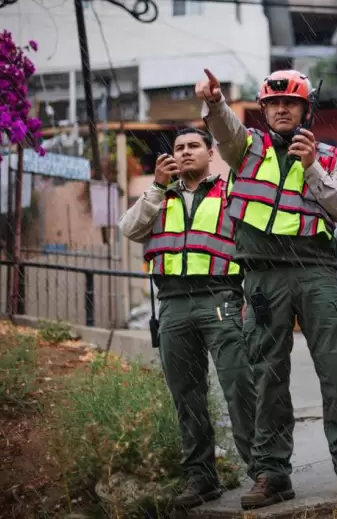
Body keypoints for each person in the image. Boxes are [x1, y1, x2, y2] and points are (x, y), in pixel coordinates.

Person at [196, 68, 337, 510]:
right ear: (264, 109)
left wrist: (311, 166)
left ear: (304, 110)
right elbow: (224, 128)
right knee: (267, 377)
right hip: (262, 276)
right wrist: (215, 103)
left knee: (335, 371)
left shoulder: (327, 156)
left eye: (290, 103)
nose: (280, 109)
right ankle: (272, 473)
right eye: (273, 103)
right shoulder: (244, 148)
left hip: (316, 270)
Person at [117, 127, 257, 509]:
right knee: (187, 397)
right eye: (179, 148)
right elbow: (129, 229)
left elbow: (251, 243)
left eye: (194, 146)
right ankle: (202, 478)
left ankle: (262, 472)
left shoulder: (230, 192)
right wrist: (158, 187)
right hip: (173, 304)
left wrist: (249, 296)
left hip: (219, 298)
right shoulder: (159, 196)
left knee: (238, 386)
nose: (185, 152)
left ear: (211, 153)